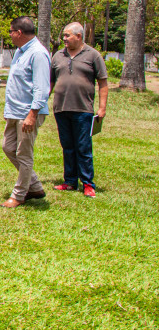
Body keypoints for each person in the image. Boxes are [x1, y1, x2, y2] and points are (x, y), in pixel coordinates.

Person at [50, 22, 108, 198]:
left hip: (83, 109)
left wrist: (102, 108)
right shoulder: (58, 56)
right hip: (61, 109)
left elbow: (103, 82)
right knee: (67, 146)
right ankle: (70, 181)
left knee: (83, 147)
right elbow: (51, 81)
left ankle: (88, 184)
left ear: (79, 36)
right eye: (64, 36)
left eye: (68, 35)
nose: (64, 39)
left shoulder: (93, 55)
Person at [0, 16, 51, 208]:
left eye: (11, 32)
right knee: (8, 147)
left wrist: (33, 114)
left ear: (19, 32)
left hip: (28, 113)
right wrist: (9, 110)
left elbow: (41, 88)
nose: (11, 35)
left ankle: (19, 195)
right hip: (15, 112)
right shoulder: (21, 52)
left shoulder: (38, 53)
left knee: (24, 154)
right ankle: (35, 186)